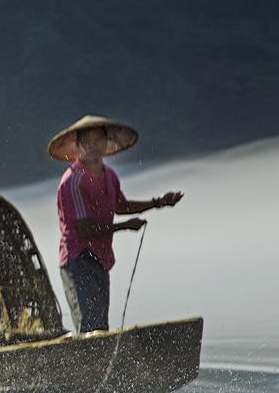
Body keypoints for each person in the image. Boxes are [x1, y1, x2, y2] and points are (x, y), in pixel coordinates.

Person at [48, 115, 183, 333]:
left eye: (97, 140)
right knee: (89, 325)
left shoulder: (109, 176)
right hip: (78, 258)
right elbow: (86, 229)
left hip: (100, 257)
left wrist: (158, 203)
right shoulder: (73, 181)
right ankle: (86, 365)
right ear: (78, 146)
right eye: (87, 141)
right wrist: (125, 226)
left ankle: (101, 365)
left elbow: (120, 205)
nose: (92, 146)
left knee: (101, 326)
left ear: (105, 143)